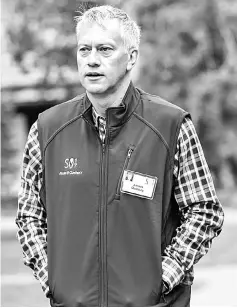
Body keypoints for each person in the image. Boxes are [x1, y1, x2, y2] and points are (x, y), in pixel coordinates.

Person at [16, 5, 224, 307]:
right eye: (84, 49)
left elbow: (205, 211)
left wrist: (161, 278)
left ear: (132, 57)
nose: (92, 60)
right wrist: (54, 277)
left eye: (105, 49)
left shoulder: (170, 125)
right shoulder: (47, 129)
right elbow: (28, 216)